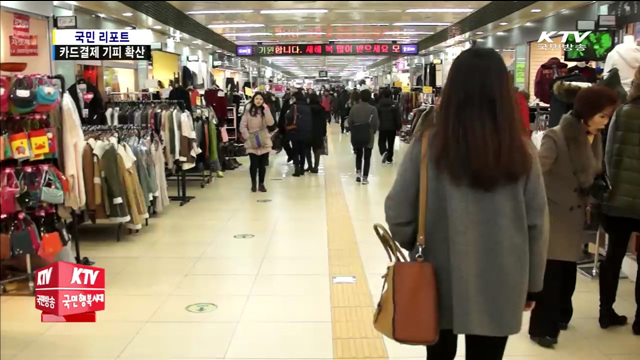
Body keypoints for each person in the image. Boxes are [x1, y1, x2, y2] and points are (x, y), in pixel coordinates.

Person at [385, 47, 549, 360]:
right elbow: (537, 223)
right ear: (503, 91)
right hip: (502, 277)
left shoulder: (428, 145)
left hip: (436, 275)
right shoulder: (522, 150)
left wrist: (419, 242)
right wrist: (534, 284)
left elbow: (398, 211)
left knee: (438, 353)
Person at [529, 86, 618, 348]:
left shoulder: (595, 137)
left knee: (567, 273)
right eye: (602, 116)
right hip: (555, 214)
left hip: (577, 213)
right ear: (588, 112)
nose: (606, 121)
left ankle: (560, 317)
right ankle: (541, 328)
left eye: (607, 116)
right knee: (552, 274)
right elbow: (537, 173)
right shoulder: (555, 137)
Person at [599, 68, 640, 336]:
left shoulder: (623, 113)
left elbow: (610, 155)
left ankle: (606, 311)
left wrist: (607, 191)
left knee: (612, 256)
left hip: (619, 201)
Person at [239, 92, 275, 193]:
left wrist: (266, 110)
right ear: (253, 100)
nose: (258, 101)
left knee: (262, 164)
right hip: (252, 140)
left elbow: (271, 123)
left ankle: (261, 184)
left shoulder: (265, 110)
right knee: (254, 164)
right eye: (256, 99)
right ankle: (253, 183)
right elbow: (242, 125)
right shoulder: (248, 111)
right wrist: (247, 136)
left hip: (264, 140)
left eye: (260, 99)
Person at [348, 89, 379, 185]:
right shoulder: (373, 109)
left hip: (357, 134)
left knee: (358, 154)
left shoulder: (354, 108)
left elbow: (349, 122)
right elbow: (375, 124)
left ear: (360, 97)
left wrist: (353, 130)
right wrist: (372, 132)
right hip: (368, 134)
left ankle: (358, 173)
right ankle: (365, 178)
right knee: (367, 156)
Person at [285, 91, 313, 177]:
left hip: (295, 130)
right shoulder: (307, 107)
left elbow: (289, 117)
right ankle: (302, 169)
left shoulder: (294, 106)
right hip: (306, 131)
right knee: (303, 151)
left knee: (295, 150)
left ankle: (297, 169)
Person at [377, 88, 401, 164]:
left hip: (382, 127)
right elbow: (397, 117)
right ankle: (389, 159)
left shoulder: (379, 105)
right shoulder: (394, 105)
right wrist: (398, 127)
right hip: (392, 127)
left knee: (381, 141)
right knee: (391, 143)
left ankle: (384, 152)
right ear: (391, 95)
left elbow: (377, 116)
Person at [308, 93, 327, 173]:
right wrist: (324, 132)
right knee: (317, 149)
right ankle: (316, 166)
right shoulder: (322, 109)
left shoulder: (307, 108)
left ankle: (309, 165)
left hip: (308, 130)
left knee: (307, 149)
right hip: (318, 131)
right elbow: (324, 122)